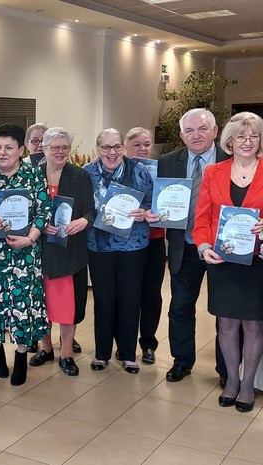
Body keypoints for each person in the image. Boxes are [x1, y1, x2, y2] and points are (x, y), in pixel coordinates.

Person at [145, 108, 231, 384]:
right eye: (189, 130)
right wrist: (153, 212)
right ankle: (182, 361)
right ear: (182, 135)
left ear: (215, 131)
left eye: (203, 129)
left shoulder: (231, 159)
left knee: (225, 312)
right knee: (180, 307)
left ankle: (227, 368)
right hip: (185, 245)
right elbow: (158, 199)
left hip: (223, 248)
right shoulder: (168, 161)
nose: (196, 135)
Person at [193, 112, 263, 412]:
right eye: (241, 137)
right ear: (229, 141)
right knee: (227, 323)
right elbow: (202, 218)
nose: (247, 142)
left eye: (254, 136)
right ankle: (232, 380)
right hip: (222, 260)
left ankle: (247, 385)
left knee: (254, 325)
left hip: (257, 261)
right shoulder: (213, 172)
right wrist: (203, 246)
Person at [0, 124, 51, 386]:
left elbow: (44, 210)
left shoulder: (34, 175)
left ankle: (21, 355)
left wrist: (30, 237)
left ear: (21, 150)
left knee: (23, 305)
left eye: (9, 148)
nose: (2, 152)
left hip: (25, 252)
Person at [84, 128, 153, 374]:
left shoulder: (140, 171)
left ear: (123, 147)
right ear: (98, 149)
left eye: (117, 146)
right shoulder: (87, 173)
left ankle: (127, 354)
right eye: (106, 147)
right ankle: (102, 353)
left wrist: (145, 212)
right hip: (98, 245)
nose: (112, 152)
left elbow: (152, 204)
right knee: (103, 299)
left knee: (130, 298)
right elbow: (82, 207)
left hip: (133, 244)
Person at [34, 128, 95, 376]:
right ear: (44, 149)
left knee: (68, 304)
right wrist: (37, 225)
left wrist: (83, 221)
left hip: (70, 251)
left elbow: (90, 211)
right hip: (39, 250)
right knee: (41, 301)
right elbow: (26, 211)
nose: (60, 152)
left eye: (65, 147)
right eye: (55, 147)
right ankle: (45, 347)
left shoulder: (80, 176)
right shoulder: (33, 175)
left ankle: (67, 352)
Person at [123, 127, 163, 365]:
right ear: (126, 148)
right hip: (127, 242)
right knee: (128, 294)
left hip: (155, 239)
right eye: (136, 145)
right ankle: (124, 344)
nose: (143, 149)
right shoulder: (121, 171)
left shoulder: (162, 170)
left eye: (147, 144)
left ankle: (148, 343)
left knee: (151, 294)